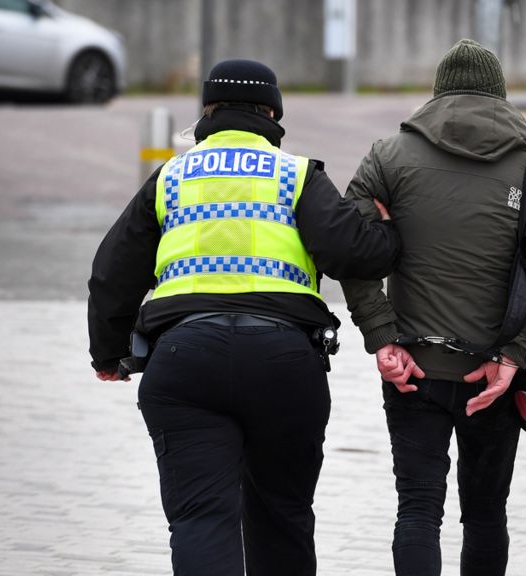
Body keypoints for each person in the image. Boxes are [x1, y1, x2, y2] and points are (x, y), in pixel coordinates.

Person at [87, 59, 401, 576]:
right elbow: (353, 254)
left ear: (207, 112)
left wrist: (109, 353)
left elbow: (110, 274)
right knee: (283, 514)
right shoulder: (297, 174)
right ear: (273, 114)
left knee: (200, 519)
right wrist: (386, 234)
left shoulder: (169, 177)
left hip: (184, 362)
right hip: (284, 363)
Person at [339, 39, 526, 575]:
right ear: (499, 94)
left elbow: (350, 250)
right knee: (487, 513)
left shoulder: (386, 158)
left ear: (437, 93)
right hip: (492, 373)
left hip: (412, 369)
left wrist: (382, 337)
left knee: (418, 510)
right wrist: (516, 354)